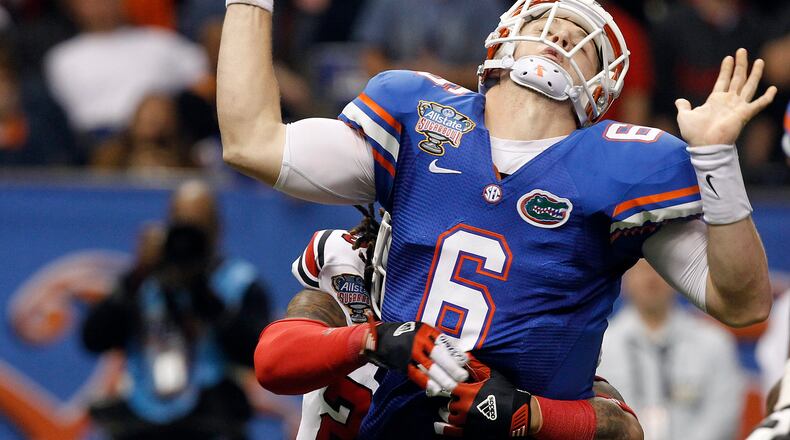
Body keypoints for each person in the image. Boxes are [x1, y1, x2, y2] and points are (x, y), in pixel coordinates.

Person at [219, 0, 775, 438]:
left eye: (586, 46)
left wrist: (717, 161)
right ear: (503, 36)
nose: (560, 35)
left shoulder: (623, 164)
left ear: (603, 90)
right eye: (543, 21)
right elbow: (253, 142)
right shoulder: (416, 115)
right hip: (398, 413)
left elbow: (742, 302)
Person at [267, 219, 639, 439]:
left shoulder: (517, 324)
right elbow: (272, 363)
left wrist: (529, 412)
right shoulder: (350, 274)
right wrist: (370, 338)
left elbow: (622, 429)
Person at [81, 181, 272, 439]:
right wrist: (135, 276)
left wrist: (205, 296)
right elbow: (93, 340)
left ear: (217, 229)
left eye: (199, 227)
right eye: (182, 225)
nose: (189, 238)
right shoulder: (142, 280)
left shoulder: (240, 281)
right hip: (142, 418)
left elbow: (259, 357)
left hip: (212, 419)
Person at [597, 259, 744, 440]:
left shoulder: (714, 343)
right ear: (624, 278)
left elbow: (723, 416)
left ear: (676, 278)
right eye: (642, 269)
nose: (651, 278)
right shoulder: (600, 346)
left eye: (658, 268)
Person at [44, 0, 207, 140]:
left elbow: (205, 78)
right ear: (73, 6)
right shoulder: (62, 58)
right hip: (95, 144)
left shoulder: (160, 42)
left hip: (162, 137)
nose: (102, 5)